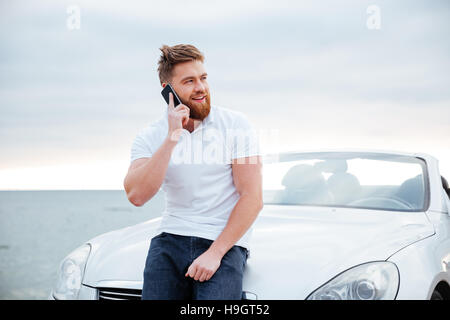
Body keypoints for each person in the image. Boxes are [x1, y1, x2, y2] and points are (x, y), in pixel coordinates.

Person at [123, 44, 263, 300]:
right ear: (168, 91)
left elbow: (252, 198)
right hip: (170, 238)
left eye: (203, 78)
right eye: (189, 81)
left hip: (223, 242)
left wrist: (216, 253)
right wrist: (172, 137)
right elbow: (137, 195)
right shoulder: (150, 136)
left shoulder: (236, 126)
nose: (201, 87)